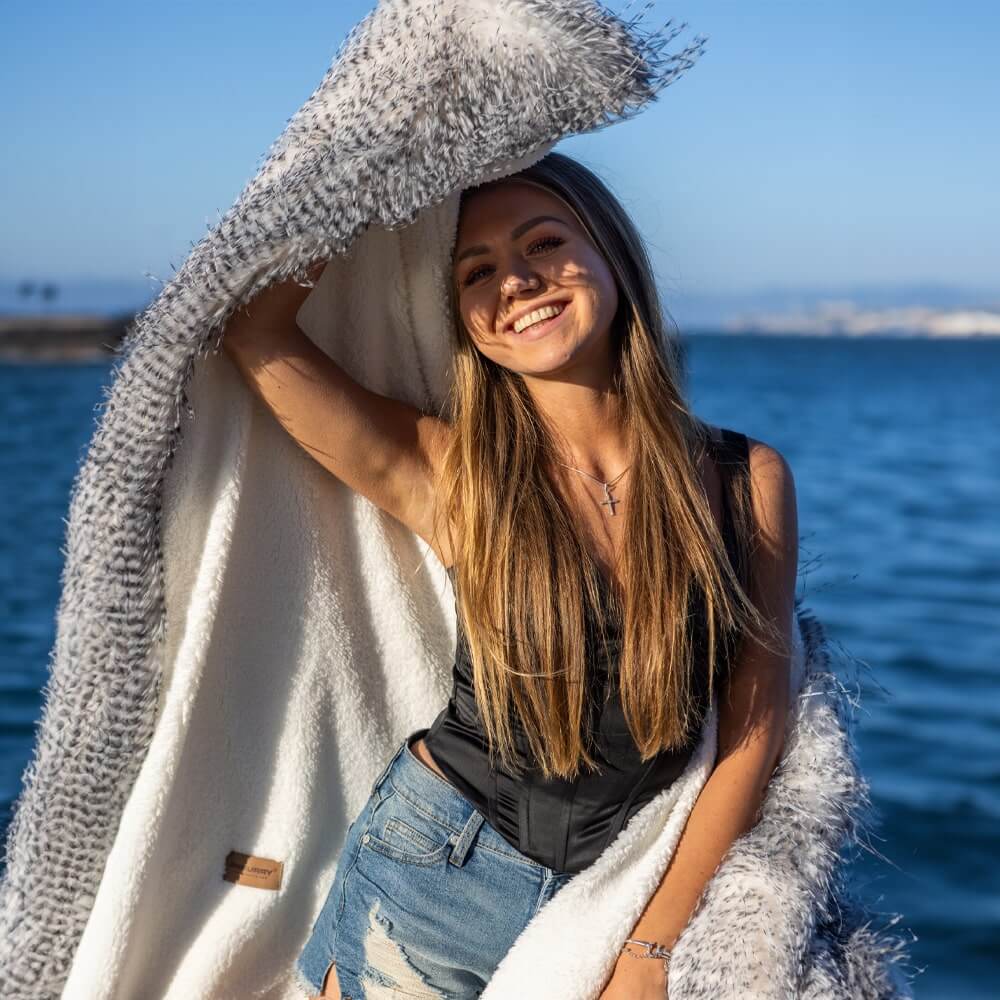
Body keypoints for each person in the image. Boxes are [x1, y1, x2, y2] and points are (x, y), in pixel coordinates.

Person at [222, 152, 797, 1000]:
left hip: (624, 885)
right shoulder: (455, 472)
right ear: (463, 318)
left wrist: (651, 950)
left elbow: (758, 718)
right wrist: (375, 161)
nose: (517, 283)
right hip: (433, 878)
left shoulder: (744, 480)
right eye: (477, 272)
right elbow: (257, 332)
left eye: (544, 243)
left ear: (612, 253)